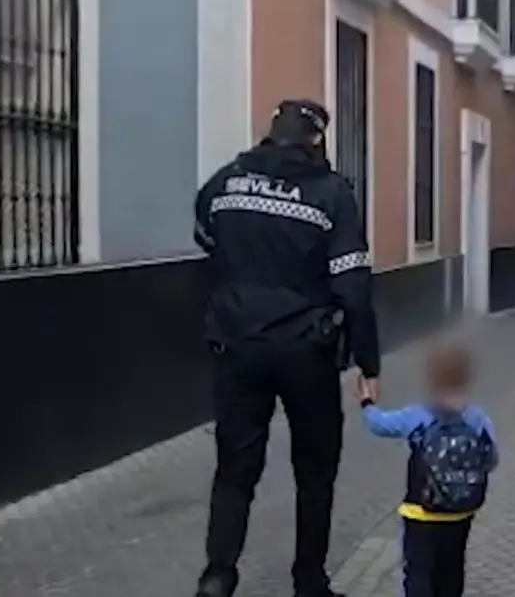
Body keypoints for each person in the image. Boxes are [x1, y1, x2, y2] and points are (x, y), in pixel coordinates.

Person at [192, 98, 381, 597]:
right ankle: (309, 582)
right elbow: (353, 285)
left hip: (237, 345)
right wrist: (369, 360)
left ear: (272, 131)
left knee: (235, 467)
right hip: (306, 350)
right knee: (315, 469)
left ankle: (217, 576)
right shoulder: (330, 194)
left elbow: (204, 235)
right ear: (316, 138)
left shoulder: (226, 181)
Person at [359, 340, 498, 597]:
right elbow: (490, 460)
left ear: (431, 379)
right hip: (460, 515)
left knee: (418, 576)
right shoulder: (478, 418)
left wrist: (366, 402)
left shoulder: (418, 416)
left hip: (422, 515)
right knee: (451, 574)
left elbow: (378, 425)